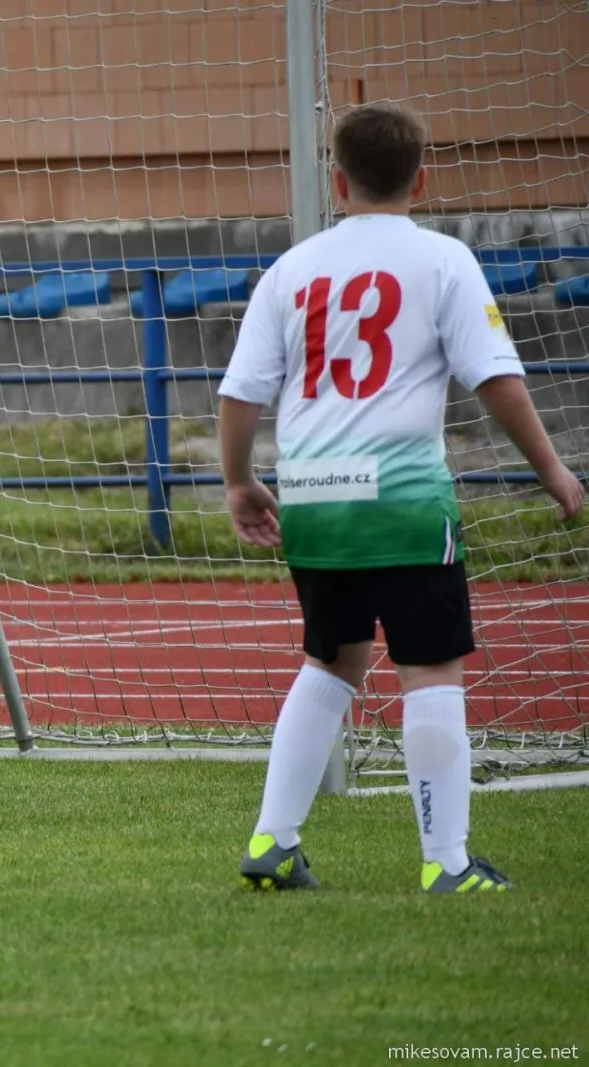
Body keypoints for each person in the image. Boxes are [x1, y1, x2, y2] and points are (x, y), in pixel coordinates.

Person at [217, 102, 584, 892]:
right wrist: (552, 468)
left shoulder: (292, 269)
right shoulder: (444, 260)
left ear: (337, 182)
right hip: (404, 500)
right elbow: (496, 379)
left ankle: (272, 840)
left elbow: (241, 393)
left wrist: (241, 482)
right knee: (432, 668)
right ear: (420, 180)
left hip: (314, 496)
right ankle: (446, 861)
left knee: (332, 659)